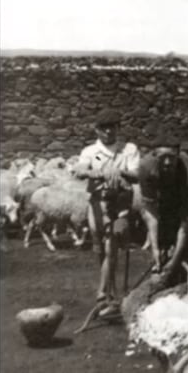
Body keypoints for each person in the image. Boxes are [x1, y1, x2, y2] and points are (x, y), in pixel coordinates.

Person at [74, 109, 140, 305]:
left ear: (118, 128)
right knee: (101, 246)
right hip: (98, 201)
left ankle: (102, 292)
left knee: (111, 242)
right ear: (97, 131)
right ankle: (109, 289)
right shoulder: (93, 152)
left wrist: (120, 172)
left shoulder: (128, 149)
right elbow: (80, 170)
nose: (109, 132)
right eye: (104, 129)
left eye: (113, 128)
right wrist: (99, 174)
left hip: (120, 202)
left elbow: (137, 174)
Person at [137, 134, 188, 290]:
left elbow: (186, 224)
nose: (168, 162)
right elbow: (151, 213)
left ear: (179, 155)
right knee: (161, 254)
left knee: (186, 255)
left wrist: (175, 261)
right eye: (163, 158)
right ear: (154, 156)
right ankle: (160, 274)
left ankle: (187, 286)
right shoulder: (145, 168)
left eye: (172, 157)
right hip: (164, 202)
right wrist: (155, 249)